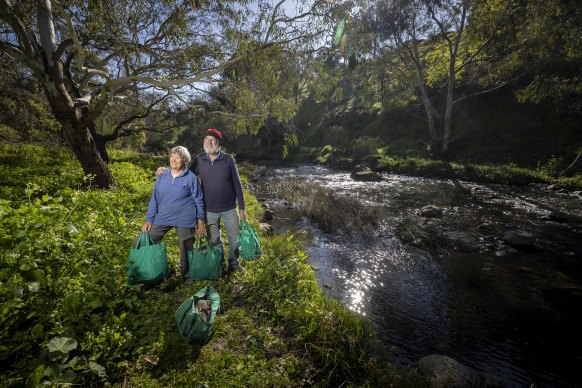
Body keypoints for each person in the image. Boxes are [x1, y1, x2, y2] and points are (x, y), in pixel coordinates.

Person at [142, 146, 205, 283]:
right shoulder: (162, 175)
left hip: (185, 217)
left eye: (178, 157)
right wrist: (149, 220)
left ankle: (188, 276)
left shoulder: (191, 178)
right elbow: (155, 199)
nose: (173, 159)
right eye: (171, 156)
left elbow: (199, 200)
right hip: (163, 216)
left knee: (186, 247)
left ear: (185, 160)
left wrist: (200, 222)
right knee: (147, 240)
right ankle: (155, 274)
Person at [192, 128, 247, 274]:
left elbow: (237, 183)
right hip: (209, 208)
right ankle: (219, 262)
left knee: (234, 238)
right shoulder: (199, 159)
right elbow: (184, 174)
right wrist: (165, 172)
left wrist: (242, 207)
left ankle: (234, 263)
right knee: (214, 239)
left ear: (218, 143)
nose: (209, 142)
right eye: (206, 140)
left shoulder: (228, 159)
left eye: (212, 140)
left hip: (229, 207)